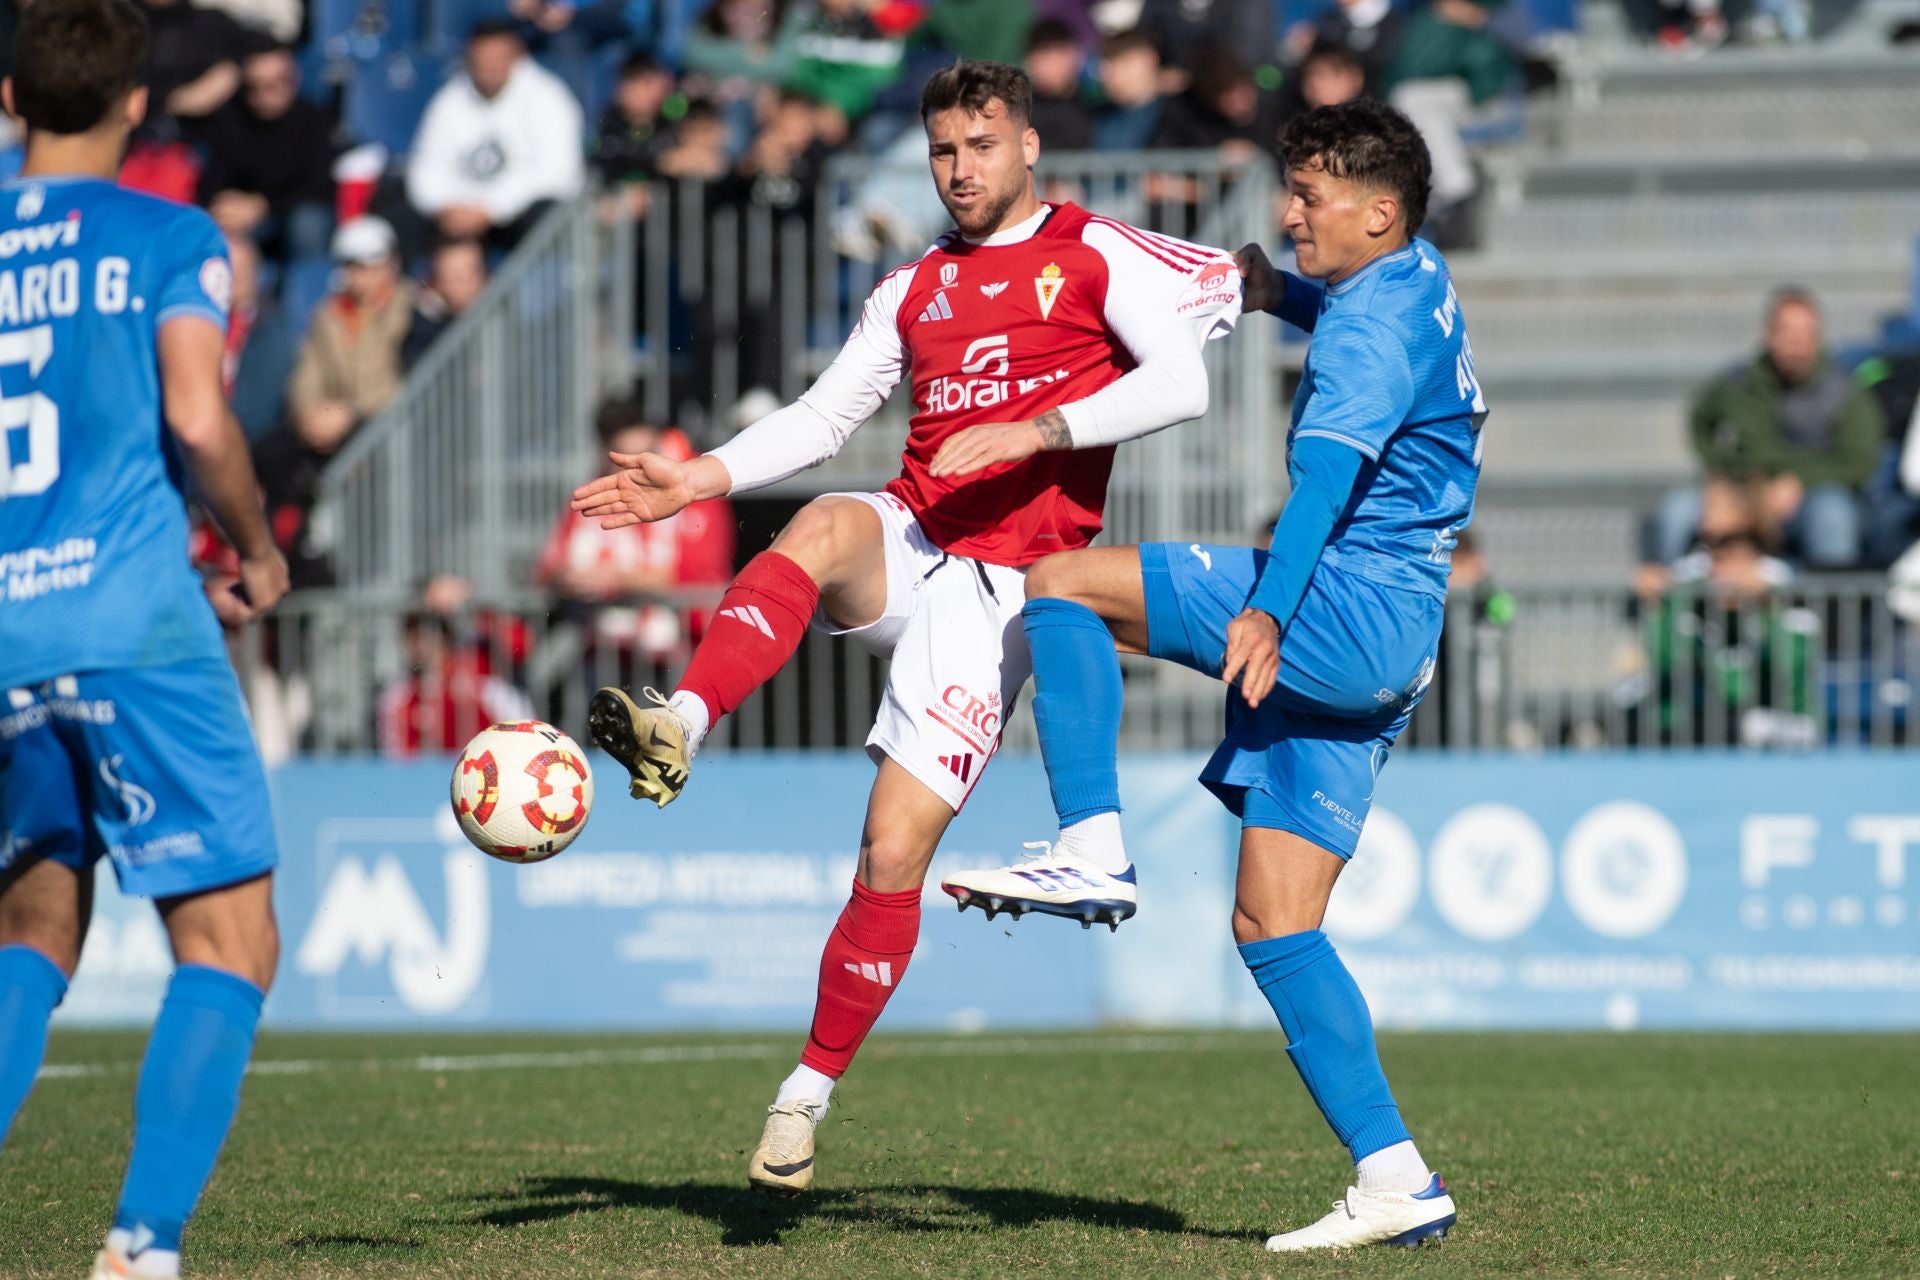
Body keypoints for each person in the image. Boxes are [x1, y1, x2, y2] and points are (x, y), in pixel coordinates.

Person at [570, 59, 1240, 1198]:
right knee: (826, 519)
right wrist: (697, 480)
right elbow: (829, 416)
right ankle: (680, 719)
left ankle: (803, 1097)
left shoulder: (1092, 252)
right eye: (941, 150)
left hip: (1009, 593)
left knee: (890, 854)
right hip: (914, 536)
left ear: (1029, 147)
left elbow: (1184, 382)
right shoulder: (912, 285)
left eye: (980, 146)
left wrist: (1041, 431)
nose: (959, 169)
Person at [941, 98, 1475, 1252]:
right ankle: (1396, 1177)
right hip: (1400, 642)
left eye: (1310, 199)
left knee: (1066, 580)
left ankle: (1091, 839)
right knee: (1275, 923)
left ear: (1377, 211)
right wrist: (1281, 292)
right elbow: (1355, 316)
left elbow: (1325, 488)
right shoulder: (1411, 276)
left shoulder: (1368, 339)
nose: (1289, 213)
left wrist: (1273, 613)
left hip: (1345, 604)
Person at [0, 5, 290, 1280]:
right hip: (129, 615)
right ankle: (140, 1243)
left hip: (7, 627)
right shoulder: (170, 233)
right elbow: (197, 411)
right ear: (136, 104)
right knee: (230, 939)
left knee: (32, 929)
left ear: (11, 102)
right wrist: (257, 545)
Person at [1643, 288, 1884, 580]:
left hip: (1805, 501)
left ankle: (1832, 618)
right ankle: (1673, 610)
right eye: (1788, 332)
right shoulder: (1738, 384)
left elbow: (1859, 464)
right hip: (1740, 492)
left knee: (1831, 513)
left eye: (1807, 333)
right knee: (1676, 510)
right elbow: (1700, 419)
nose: (1798, 343)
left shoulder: (1844, 391)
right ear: (1768, 334)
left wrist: (1798, 482)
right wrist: (1719, 474)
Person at [405, 19, 585, 254]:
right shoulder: (449, 99)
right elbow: (426, 165)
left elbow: (558, 174)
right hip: (457, 213)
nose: (490, 66)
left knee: (543, 218)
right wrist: (446, 207)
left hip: (517, 217)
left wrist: (491, 208)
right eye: (482, 59)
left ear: (516, 54)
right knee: (403, 218)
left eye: (498, 57)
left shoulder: (548, 96)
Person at [195, 41, 334, 321]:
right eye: (254, 87)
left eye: (273, 85)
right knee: (217, 226)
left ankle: (308, 312)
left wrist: (263, 205)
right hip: (249, 221)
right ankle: (234, 321)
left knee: (308, 223)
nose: (263, 96)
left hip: (289, 217)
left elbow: (318, 188)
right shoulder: (230, 120)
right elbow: (212, 185)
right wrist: (226, 207)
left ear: (292, 81)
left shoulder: (313, 120)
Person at [402, 236, 489, 368]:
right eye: (448, 276)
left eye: (464, 275)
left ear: (484, 276)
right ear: (436, 280)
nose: (458, 284)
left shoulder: (503, 323)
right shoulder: (420, 328)